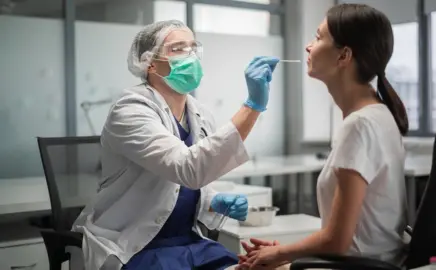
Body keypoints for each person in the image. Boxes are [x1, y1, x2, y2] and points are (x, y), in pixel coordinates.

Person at [72, 20, 280, 270]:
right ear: (149, 62)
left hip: (189, 242)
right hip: (136, 246)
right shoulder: (130, 110)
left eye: (193, 48)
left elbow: (179, 188)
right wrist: (252, 107)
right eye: (178, 49)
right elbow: (187, 168)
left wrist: (212, 201)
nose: (190, 56)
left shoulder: (200, 115)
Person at [237, 3, 409, 269]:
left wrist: (280, 254)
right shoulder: (379, 115)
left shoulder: (360, 125)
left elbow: (337, 241)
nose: (308, 46)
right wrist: (286, 251)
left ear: (344, 56)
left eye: (318, 38)